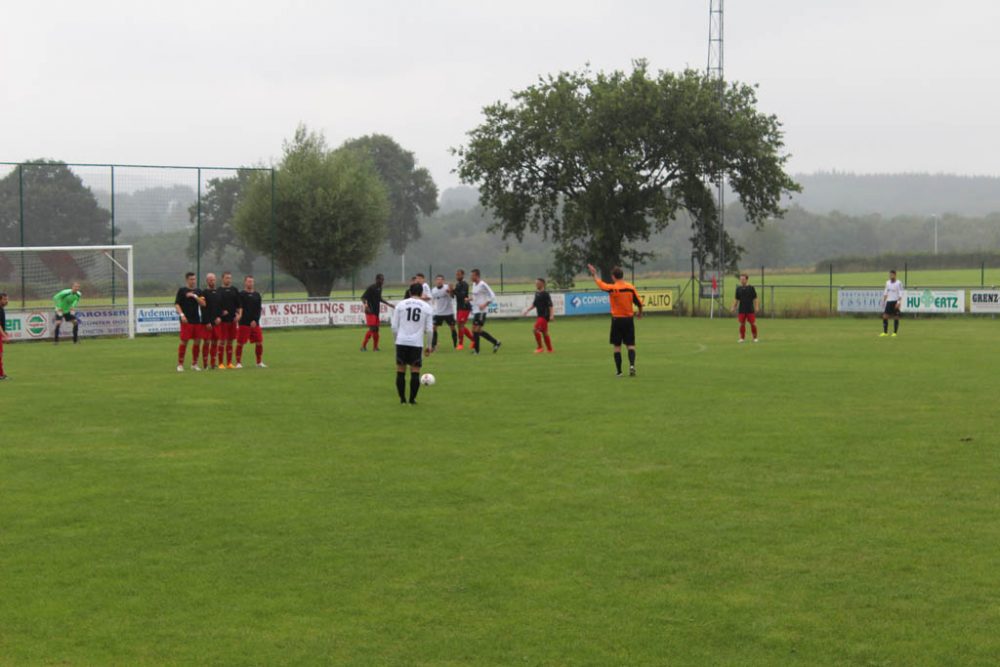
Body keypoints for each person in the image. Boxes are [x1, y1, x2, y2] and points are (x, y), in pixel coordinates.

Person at [587, 263, 643, 377]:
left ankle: (619, 371)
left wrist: (594, 274)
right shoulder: (630, 288)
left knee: (617, 346)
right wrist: (640, 313)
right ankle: (632, 366)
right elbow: (639, 303)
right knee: (630, 344)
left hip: (617, 320)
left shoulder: (612, 288)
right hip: (628, 319)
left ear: (613, 277)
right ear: (622, 275)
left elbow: (600, 284)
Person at [391, 283, 434, 404]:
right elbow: (430, 330)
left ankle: (402, 399)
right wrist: (429, 346)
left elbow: (394, 327)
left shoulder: (401, 304)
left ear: (410, 292)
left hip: (401, 342)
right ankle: (412, 399)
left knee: (400, 370)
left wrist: (396, 341)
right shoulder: (426, 307)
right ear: (421, 293)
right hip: (416, 343)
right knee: (415, 371)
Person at [174, 272, 207, 371]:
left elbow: (203, 304)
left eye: (194, 279)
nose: (193, 281)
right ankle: (180, 364)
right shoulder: (182, 290)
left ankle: (194, 363)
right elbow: (177, 304)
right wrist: (182, 315)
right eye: (191, 279)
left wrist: (194, 296)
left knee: (197, 341)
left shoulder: (198, 291)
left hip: (196, 320)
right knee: (184, 341)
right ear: (187, 280)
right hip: (186, 320)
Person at [236, 275, 266, 368]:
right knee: (240, 343)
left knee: (259, 342)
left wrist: (255, 320)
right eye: (249, 281)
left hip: (255, 323)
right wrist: (242, 318)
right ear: (245, 282)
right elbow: (239, 308)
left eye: (252, 281)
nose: (250, 283)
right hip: (244, 323)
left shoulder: (257, 295)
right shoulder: (241, 294)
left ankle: (259, 362)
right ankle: (238, 363)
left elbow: (258, 309)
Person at [469, 269, 501, 354]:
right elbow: (475, 297)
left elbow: (492, 296)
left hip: (482, 311)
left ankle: (476, 350)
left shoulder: (483, 284)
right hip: (476, 311)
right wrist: (469, 299)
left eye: (472, 275)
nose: (471, 277)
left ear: (477, 276)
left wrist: (485, 304)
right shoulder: (473, 284)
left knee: (476, 330)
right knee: (476, 330)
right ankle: (496, 342)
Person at [360, 273, 393, 352]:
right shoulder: (371, 287)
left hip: (376, 311)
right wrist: (366, 305)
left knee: (376, 329)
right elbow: (363, 297)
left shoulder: (380, 288)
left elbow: (379, 298)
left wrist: (388, 304)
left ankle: (375, 347)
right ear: (377, 279)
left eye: (383, 279)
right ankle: (363, 346)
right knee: (372, 328)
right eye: (381, 279)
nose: (382, 281)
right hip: (370, 311)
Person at [521, 278, 554, 353]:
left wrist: (552, 315)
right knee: (544, 332)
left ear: (542, 284)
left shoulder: (546, 294)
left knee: (535, 330)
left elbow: (550, 305)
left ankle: (540, 348)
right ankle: (550, 349)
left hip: (545, 316)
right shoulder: (537, 293)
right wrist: (527, 310)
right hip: (540, 315)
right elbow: (534, 304)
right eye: (535, 283)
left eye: (537, 283)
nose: (536, 284)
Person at [217, 271, 241, 368]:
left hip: (232, 320)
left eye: (230, 278)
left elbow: (238, 305)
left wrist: (238, 315)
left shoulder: (234, 290)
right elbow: (215, 305)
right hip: (223, 321)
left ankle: (229, 363)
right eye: (227, 278)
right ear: (222, 279)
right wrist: (221, 312)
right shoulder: (218, 290)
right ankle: (220, 363)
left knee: (231, 341)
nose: (229, 280)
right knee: (222, 341)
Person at [430, 274, 458, 351]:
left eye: (441, 279)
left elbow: (452, 296)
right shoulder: (433, 290)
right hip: (438, 313)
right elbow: (432, 300)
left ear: (443, 281)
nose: (439, 281)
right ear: (435, 281)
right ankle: (433, 345)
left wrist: (450, 291)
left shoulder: (447, 288)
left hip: (449, 312)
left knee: (452, 328)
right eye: (438, 279)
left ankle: (455, 345)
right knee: (434, 328)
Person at [202, 272, 223, 369]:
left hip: (217, 323)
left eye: (213, 279)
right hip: (207, 323)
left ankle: (213, 363)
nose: (212, 281)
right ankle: (205, 363)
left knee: (215, 342)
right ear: (207, 281)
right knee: (206, 342)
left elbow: (221, 307)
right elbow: (203, 309)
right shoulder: (204, 293)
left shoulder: (219, 292)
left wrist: (220, 317)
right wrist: (207, 322)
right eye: (210, 280)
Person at [731, 274, 759, 343]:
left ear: (746, 280)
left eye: (743, 279)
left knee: (753, 323)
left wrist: (756, 307)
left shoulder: (751, 288)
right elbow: (736, 299)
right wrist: (733, 307)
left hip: (750, 309)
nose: (742, 280)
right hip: (741, 310)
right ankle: (742, 338)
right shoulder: (738, 289)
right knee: (742, 324)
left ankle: (755, 338)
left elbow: (755, 298)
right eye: (741, 279)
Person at [451, 268, 474, 350]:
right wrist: (450, 291)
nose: (457, 276)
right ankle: (473, 340)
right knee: (460, 325)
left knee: (461, 325)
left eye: (459, 275)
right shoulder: (457, 284)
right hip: (459, 307)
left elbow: (462, 296)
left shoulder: (465, 284)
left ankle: (461, 344)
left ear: (463, 275)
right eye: (456, 275)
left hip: (465, 307)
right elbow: (454, 296)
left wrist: (454, 291)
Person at [881, 269, 904, 337]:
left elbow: (901, 293)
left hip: (895, 301)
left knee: (896, 317)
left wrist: (898, 302)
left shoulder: (899, 283)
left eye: (892, 275)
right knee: (885, 316)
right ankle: (885, 332)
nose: (891, 276)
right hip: (889, 301)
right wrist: (883, 301)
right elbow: (886, 292)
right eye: (890, 275)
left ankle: (895, 332)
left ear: (895, 275)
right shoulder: (887, 282)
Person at [0, 291, 9, 380]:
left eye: (7, 299)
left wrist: (4, 332)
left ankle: (2, 374)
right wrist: (4, 335)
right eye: (4, 299)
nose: (7, 301)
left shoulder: (2, 309)